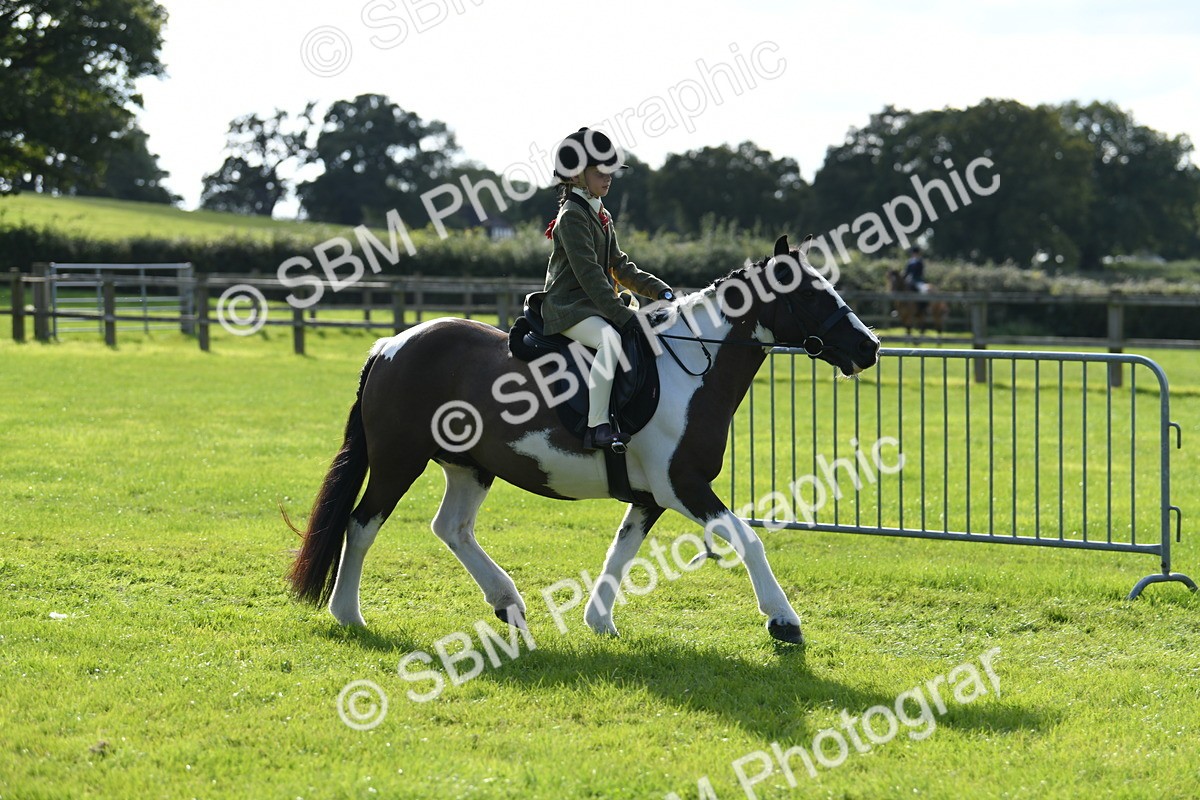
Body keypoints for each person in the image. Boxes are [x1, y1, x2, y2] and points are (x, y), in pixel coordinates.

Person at [540, 127, 675, 450]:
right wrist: (620, 315)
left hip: (593, 303)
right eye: (600, 172)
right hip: (569, 307)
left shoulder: (600, 211)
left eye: (610, 171)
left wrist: (661, 292)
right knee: (610, 340)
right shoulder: (572, 215)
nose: (609, 177)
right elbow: (590, 276)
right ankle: (598, 426)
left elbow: (620, 266)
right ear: (575, 176)